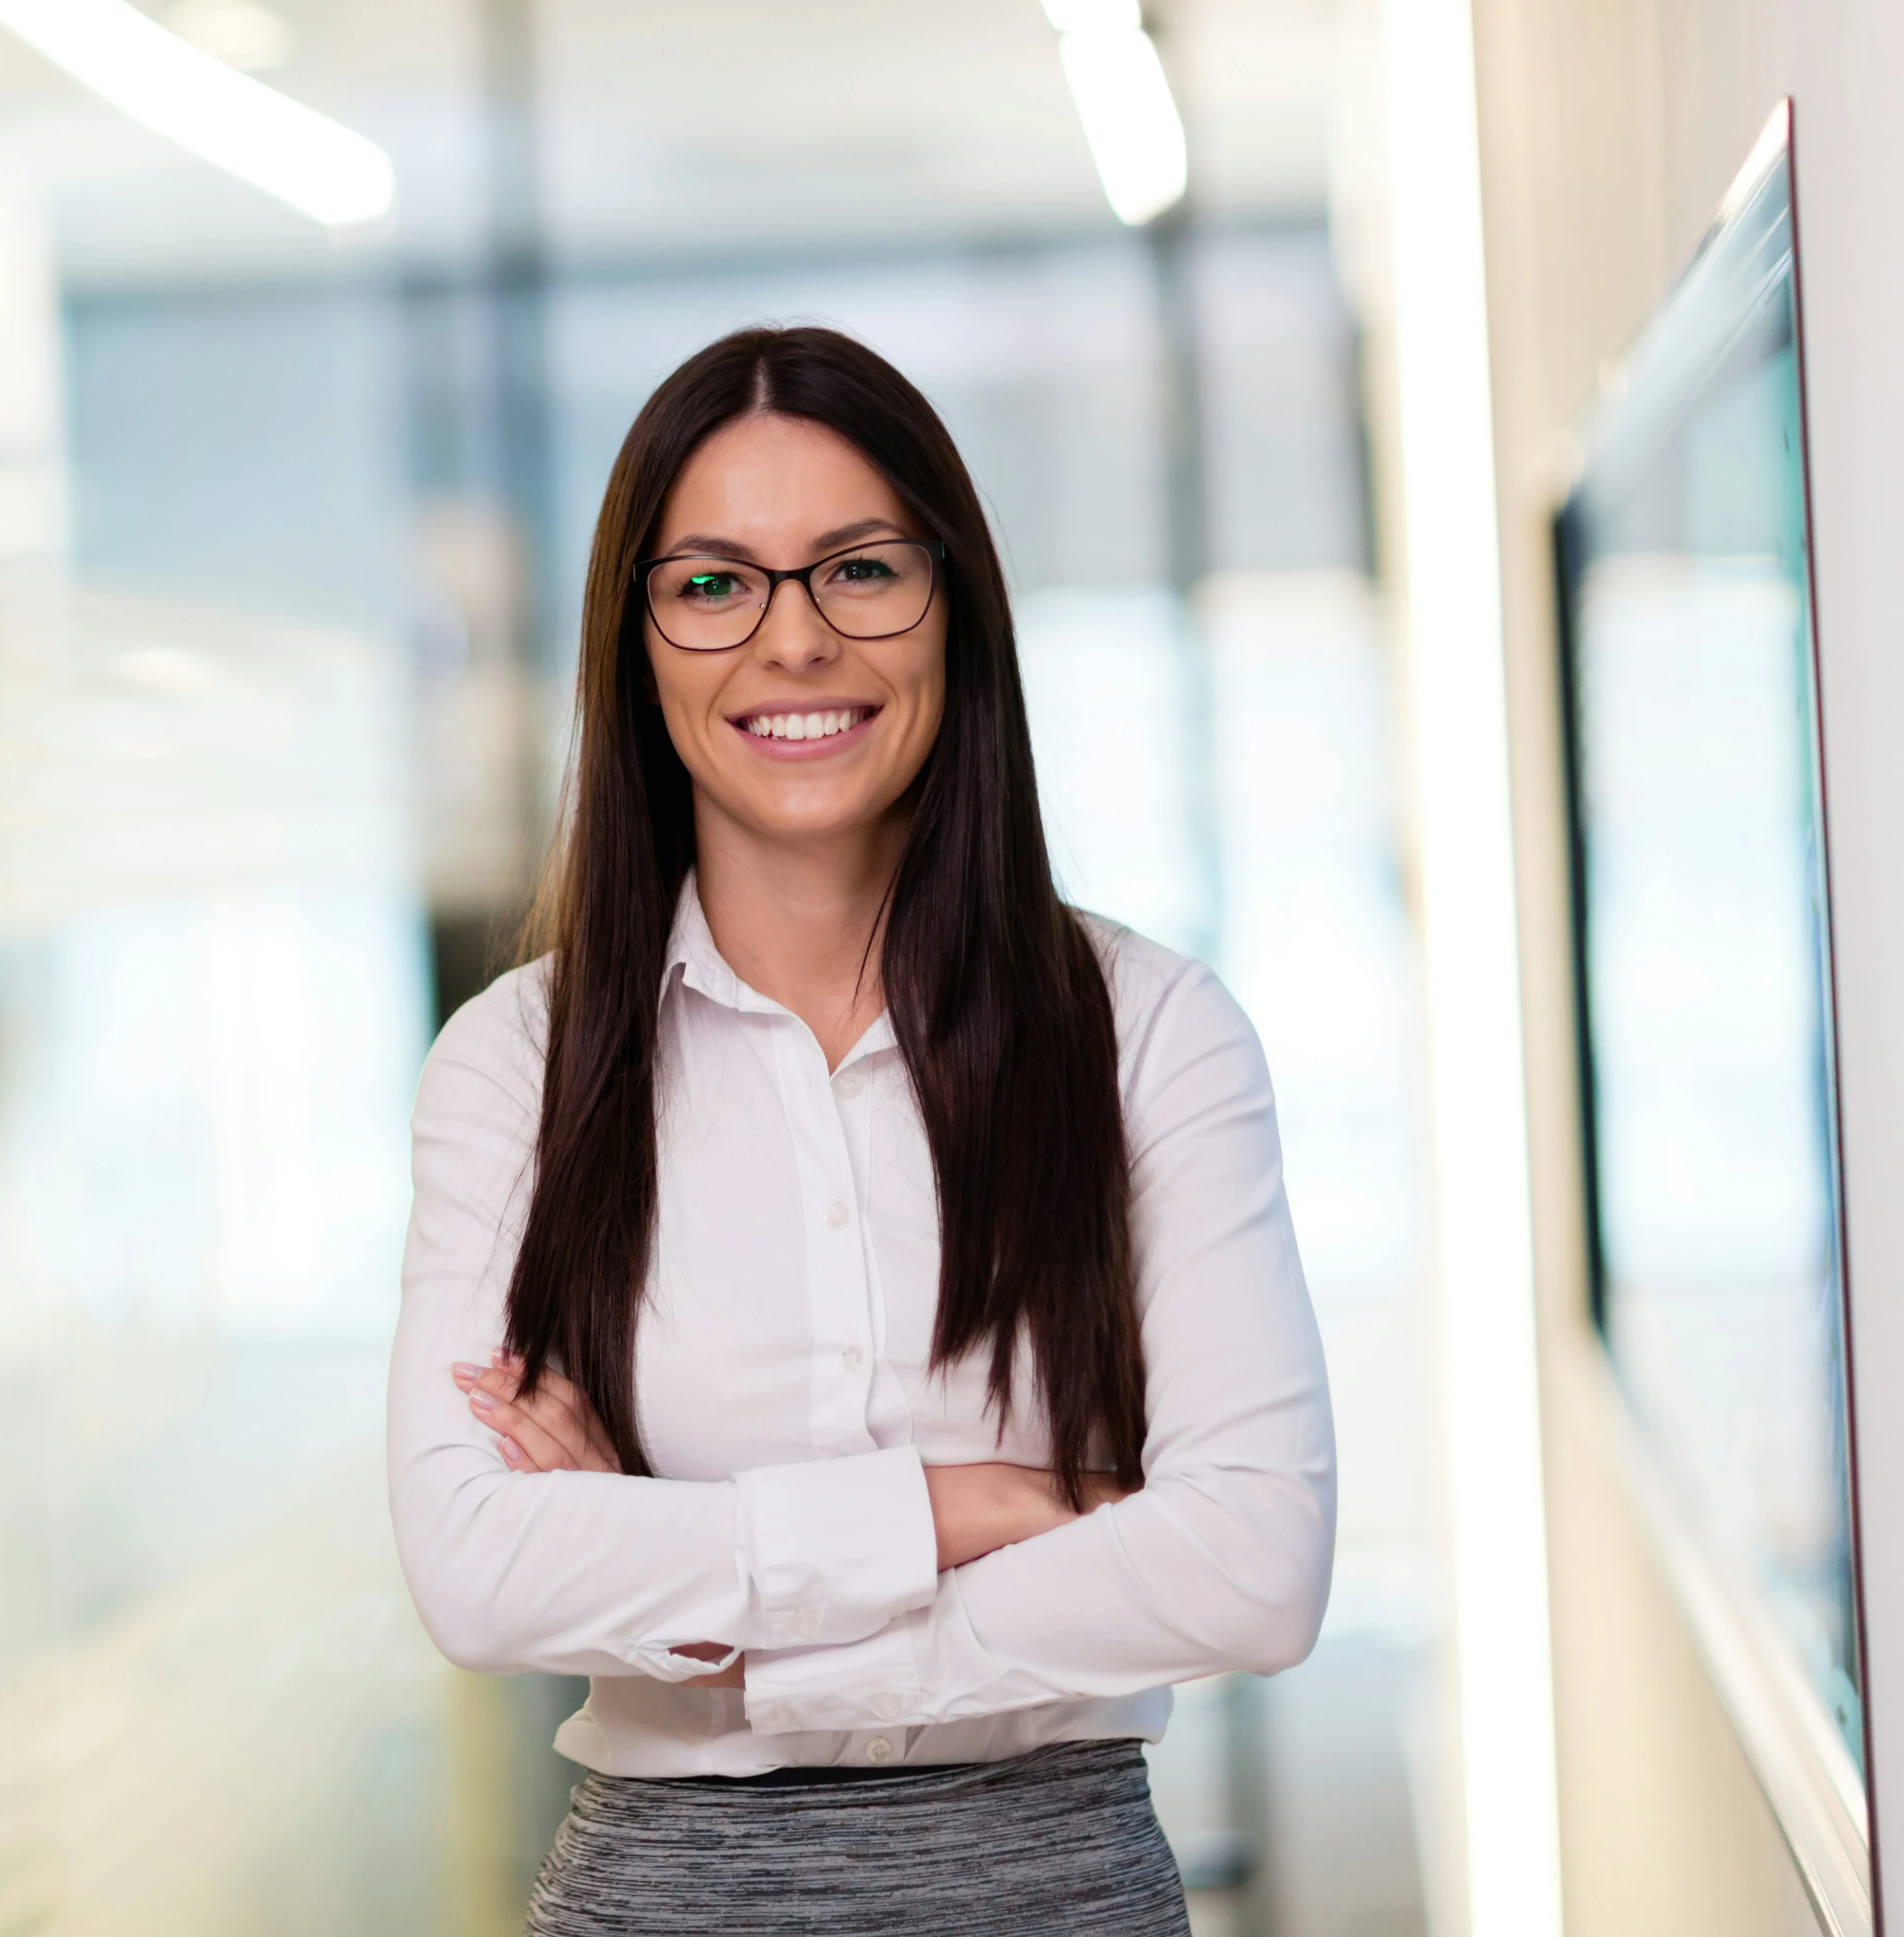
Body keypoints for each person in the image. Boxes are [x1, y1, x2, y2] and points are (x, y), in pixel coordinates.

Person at [387, 326, 1336, 1932]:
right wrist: (972, 1508)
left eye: (860, 570)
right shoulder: (518, 1069)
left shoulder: (1149, 1033)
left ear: (954, 607)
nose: (795, 640)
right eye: (714, 584)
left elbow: (1254, 1556)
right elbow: (479, 1570)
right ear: (639, 644)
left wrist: (720, 1603)